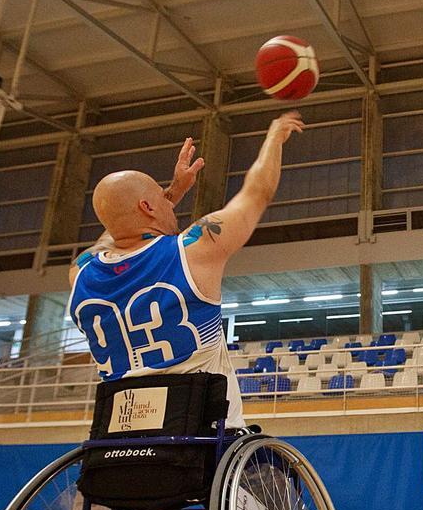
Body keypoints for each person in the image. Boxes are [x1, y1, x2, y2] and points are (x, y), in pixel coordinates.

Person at [68, 111, 303, 429]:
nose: (169, 204)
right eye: (161, 200)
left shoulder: (80, 274)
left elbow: (113, 232)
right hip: (201, 438)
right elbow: (256, 193)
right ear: (147, 207)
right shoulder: (193, 250)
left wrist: (169, 194)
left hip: (117, 440)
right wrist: (275, 137)